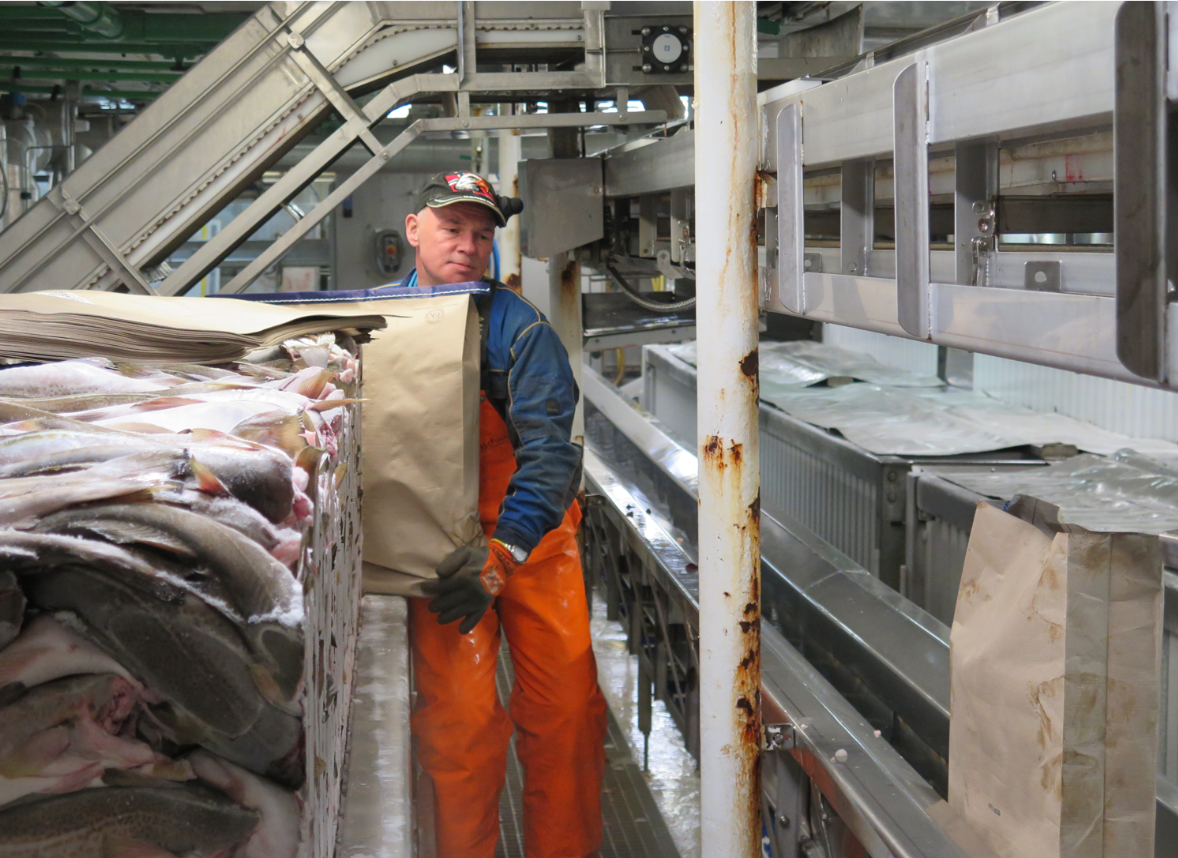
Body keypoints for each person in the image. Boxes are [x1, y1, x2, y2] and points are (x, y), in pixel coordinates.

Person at [400, 171, 607, 858]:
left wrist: (506, 550)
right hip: (438, 552)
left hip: (531, 542)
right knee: (456, 727)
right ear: (414, 230)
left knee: (566, 718)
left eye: (482, 235)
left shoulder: (520, 331)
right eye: (452, 229)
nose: (468, 245)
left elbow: (551, 455)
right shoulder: (378, 326)